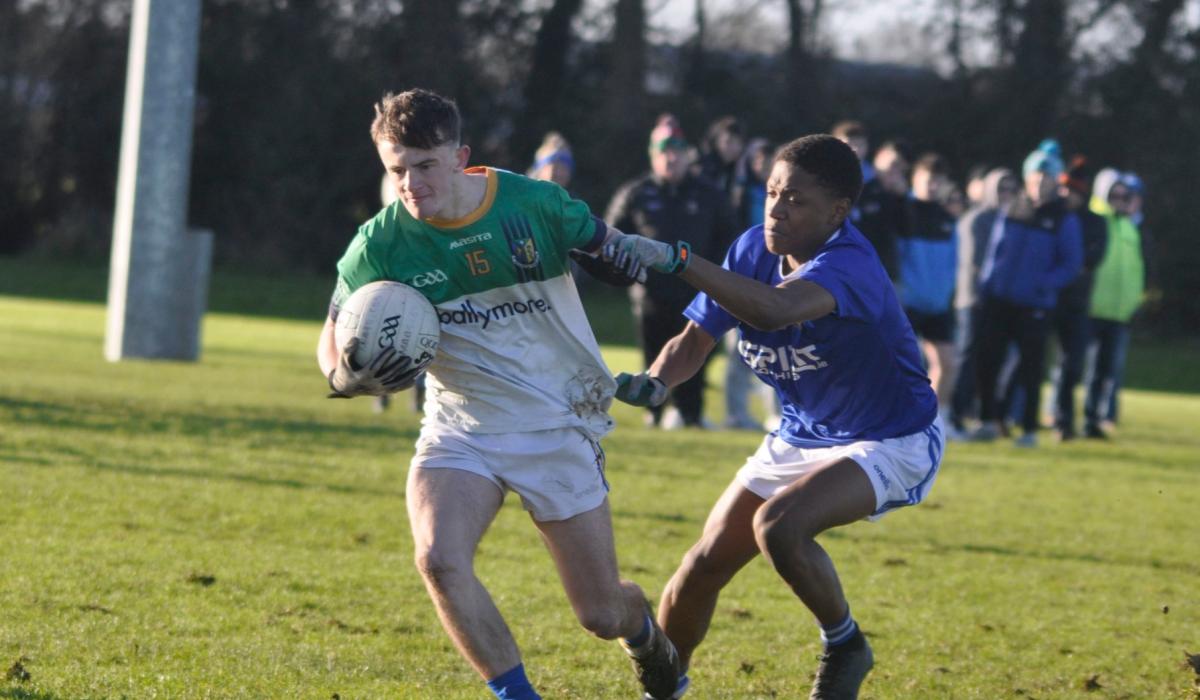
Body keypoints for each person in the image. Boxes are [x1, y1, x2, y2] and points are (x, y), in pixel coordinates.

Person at [316, 88, 682, 700]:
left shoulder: (532, 204)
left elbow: (612, 247)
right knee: (436, 559)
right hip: (462, 427)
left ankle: (644, 632)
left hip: (557, 422)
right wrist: (344, 375)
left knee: (599, 614)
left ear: (459, 157)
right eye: (396, 169)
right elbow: (332, 336)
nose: (411, 184)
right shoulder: (379, 245)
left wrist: (649, 264)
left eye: (425, 166)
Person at [604, 134, 944, 698]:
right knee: (699, 570)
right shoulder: (753, 249)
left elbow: (774, 309)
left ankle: (846, 644)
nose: (776, 209)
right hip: (801, 433)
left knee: (778, 526)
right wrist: (657, 382)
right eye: (771, 193)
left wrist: (680, 260)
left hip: (889, 437)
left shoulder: (849, 263)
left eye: (795, 200)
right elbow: (693, 339)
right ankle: (661, 689)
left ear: (837, 211)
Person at [606, 118, 738, 429]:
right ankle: (653, 413)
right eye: (664, 150)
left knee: (695, 352)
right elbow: (611, 236)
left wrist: (715, 276)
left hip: (697, 292)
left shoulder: (709, 193)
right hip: (650, 293)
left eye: (677, 150)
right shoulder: (636, 193)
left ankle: (690, 416)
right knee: (653, 354)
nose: (671, 157)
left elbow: (729, 236)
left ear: (687, 154)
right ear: (653, 154)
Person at [972, 143, 1082, 446]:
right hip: (999, 300)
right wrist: (987, 285)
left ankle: (1029, 429)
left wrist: (1042, 284)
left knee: (1031, 368)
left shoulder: (1063, 217)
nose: (1040, 182)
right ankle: (986, 421)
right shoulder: (1013, 207)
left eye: (1047, 176)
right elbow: (996, 251)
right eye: (1035, 175)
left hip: (1034, 305)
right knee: (988, 360)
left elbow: (1070, 264)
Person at [950, 168, 1018, 434]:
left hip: (999, 301)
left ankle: (986, 416)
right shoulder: (977, 219)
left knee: (993, 359)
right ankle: (954, 413)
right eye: (1002, 189)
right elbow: (973, 262)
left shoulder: (1012, 220)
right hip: (973, 299)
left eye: (1012, 189)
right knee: (967, 356)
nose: (1007, 195)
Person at [1047, 156, 1108, 440]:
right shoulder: (1051, 215)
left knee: (1071, 365)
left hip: (1076, 303)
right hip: (1048, 298)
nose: (1064, 195)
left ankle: (1063, 420)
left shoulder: (1095, 223)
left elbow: (1090, 259)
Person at [1083, 169, 1147, 439]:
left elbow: (1136, 268)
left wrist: (1134, 301)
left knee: (1106, 371)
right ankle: (1062, 417)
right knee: (1076, 367)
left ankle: (1093, 421)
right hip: (1091, 308)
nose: (1120, 199)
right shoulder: (1094, 222)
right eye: (1114, 193)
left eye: (1125, 194)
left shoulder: (1129, 226)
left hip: (1118, 312)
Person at [897, 153, 959, 427]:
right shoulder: (903, 212)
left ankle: (934, 420)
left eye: (938, 181)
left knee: (947, 364)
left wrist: (947, 295)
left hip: (938, 305)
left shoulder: (947, 218)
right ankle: (895, 420)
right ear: (916, 179)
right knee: (903, 368)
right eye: (928, 180)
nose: (933, 186)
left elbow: (952, 261)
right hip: (907, 303)